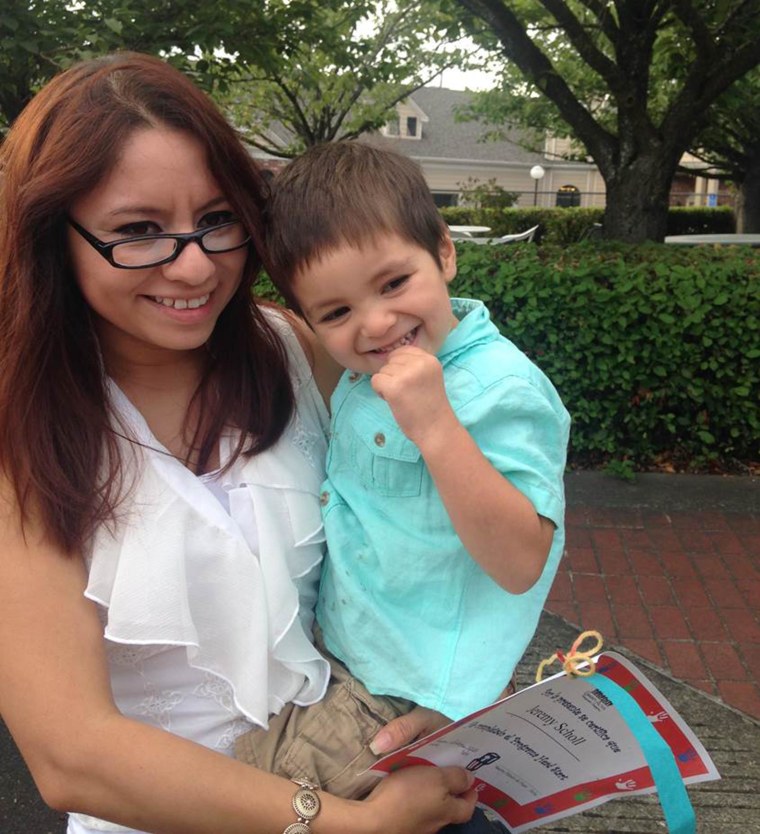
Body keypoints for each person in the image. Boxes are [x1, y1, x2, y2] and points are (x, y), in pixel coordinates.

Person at [0, 53, 483, 834]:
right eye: (139, 231)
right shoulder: (22, 431)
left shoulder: (299, 348)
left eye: (217, 219)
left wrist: (432, 692)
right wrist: (338, 826)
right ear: (54, 237)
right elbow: (72, 753)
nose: (194, 264)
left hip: (355, 764)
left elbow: (423, 526)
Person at [235, 141, 571, 802]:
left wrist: (437, 427)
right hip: (348, 656)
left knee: (253, 792)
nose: (377, 322)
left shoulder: (501, 390)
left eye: (393, 283)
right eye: (336, 312)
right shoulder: (369, 374)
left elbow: (521, 561)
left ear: (444, 252)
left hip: (406, 690)